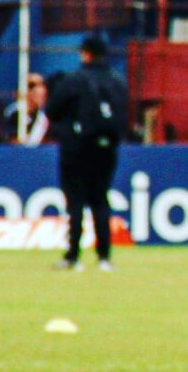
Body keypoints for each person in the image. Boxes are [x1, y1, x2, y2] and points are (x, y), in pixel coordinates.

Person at [45, 34, 129, 272]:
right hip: (106, 149)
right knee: (100, 199)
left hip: (76, 149)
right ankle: (104, 257)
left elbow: (52, 110)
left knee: (75, 201)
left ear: (85, 53)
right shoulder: (117, 81)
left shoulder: (73, 80)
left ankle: (73, 256)